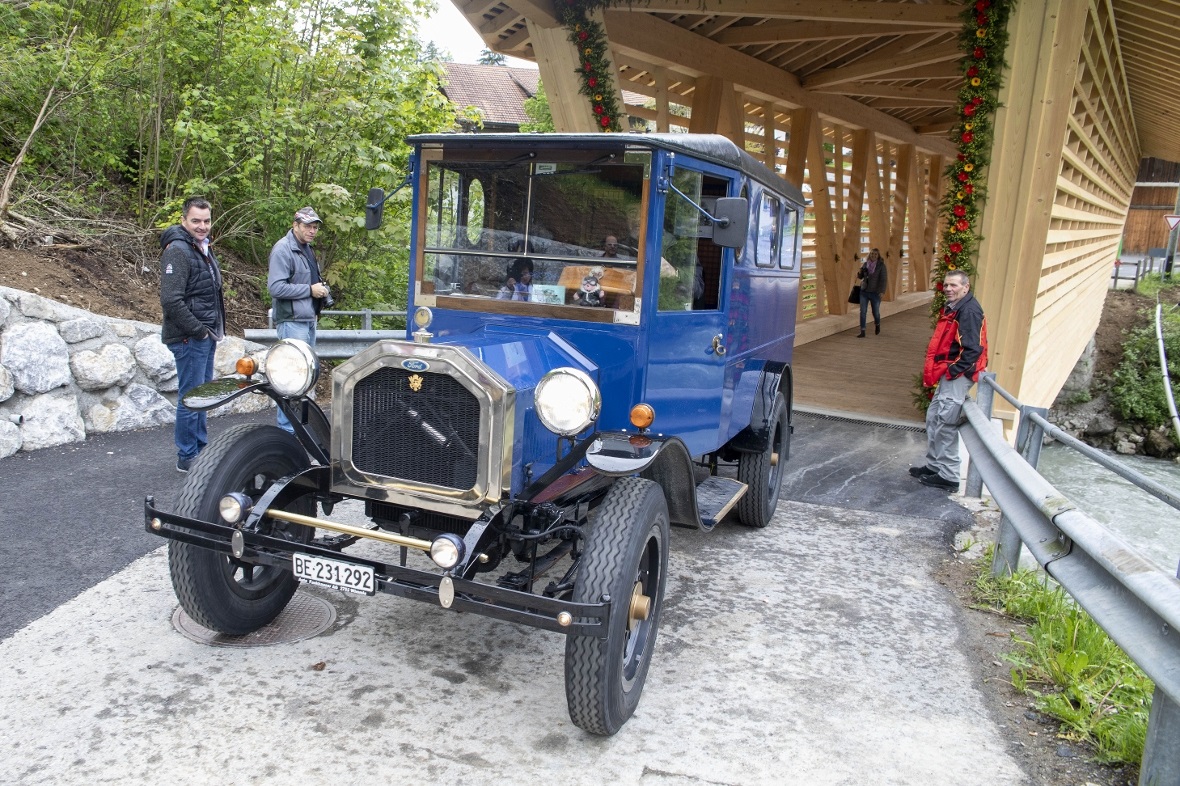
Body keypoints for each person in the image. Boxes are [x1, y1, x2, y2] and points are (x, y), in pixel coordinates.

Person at [159, 196, 226, 473]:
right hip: (190, 338)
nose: (202, 226)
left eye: (206, 221)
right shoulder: (178, 250)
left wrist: (210, 332)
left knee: (201, 396)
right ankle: (187, 455)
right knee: (191, 397)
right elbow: (171, 300)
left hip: (205, 335)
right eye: (196, 221)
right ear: (184, 220)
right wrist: (198, 332)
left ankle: (200, 449)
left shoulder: (202, 249)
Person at [910, 270, 988, 491]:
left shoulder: (969, 311)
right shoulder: (957, 307)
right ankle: (935, 466)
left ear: (966, 287)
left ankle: (949, 475)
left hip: (958, 373)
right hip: (951, 371)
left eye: (953, 285)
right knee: (935, 416)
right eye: (946, 285)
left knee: (945, 421)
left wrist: (954, 371)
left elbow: (974, 349)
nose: (948, 289)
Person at [267, 206, 330, 434]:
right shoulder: (283, 250)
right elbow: (275, 287)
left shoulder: (307, 249)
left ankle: (299, 435)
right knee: (290, 381)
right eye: (307, 226)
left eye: (315, 227)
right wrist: (309, 290)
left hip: (307, 321)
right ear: (295, 225)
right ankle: (287, 436)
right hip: (292, 323)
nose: (312, 231)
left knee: (303, 381)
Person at [856, 248, 887, 337]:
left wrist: (882, 291)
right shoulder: (865, 264)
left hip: (875, 292)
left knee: (875, 312)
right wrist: (860, 273)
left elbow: (883, 280)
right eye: (872, 254)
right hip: (864, 291)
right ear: (869, 254)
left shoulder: (881, 266)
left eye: (875, 254)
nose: (873, 255)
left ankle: (877, 324)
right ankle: (862, 331)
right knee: (863, 311)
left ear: (878, 256)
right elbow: (861, 276)